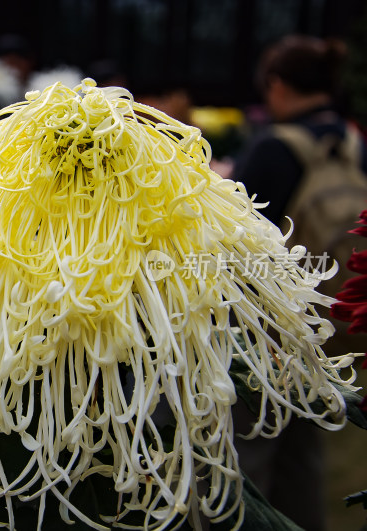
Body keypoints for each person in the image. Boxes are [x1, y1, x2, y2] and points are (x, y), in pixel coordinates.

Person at [233, 34, 367, 531]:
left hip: (263, 330)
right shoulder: (354, 140)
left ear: (277, 85)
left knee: (249, 463)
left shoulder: (275, 147)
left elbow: (229, 234)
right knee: (303, 458)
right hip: (321, 326)